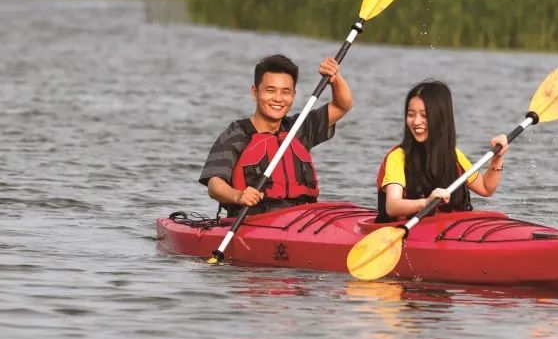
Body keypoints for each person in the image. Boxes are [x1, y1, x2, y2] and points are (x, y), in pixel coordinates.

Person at [199, 53, 353, 217]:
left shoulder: (298, 129)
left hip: (301, 221)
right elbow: (214, 185)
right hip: (254, 222)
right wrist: (238, 196)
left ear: (293, 95)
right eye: (270, 91)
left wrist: (334, 79)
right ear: (255, 92)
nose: (278, 99)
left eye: (285, 92)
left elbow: (342, 105)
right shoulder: (236, 134)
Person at [375, 80, 509, 222]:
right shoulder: (398, 157)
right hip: (403, 232)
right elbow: (392, 206)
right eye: (411, 114)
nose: (416, 121)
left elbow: (485, 188)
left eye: (424, 115)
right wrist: (426, 203)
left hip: (447, 231)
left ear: (440, 118)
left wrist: (498, 158)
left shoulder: (454, 155)